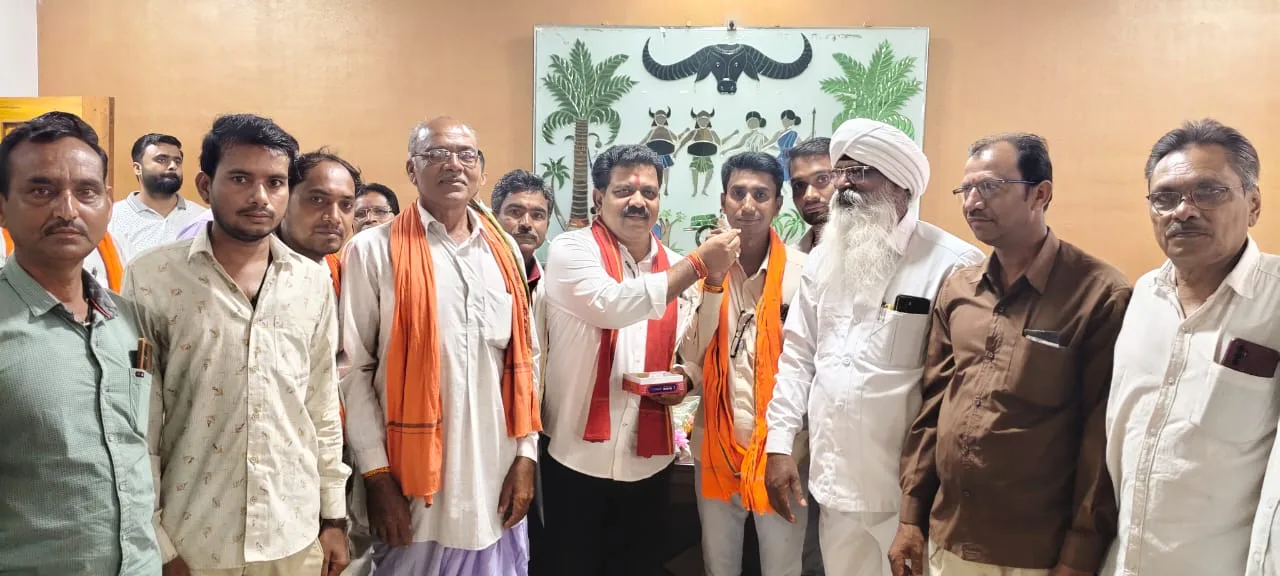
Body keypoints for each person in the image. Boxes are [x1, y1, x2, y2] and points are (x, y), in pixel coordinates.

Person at [892, 133, 1130, 576]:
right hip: (949, 535)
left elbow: (1101, 437)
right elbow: (934, 406)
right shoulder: (959, 289)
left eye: (990, 186)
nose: (972, 202)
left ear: (1040, 194)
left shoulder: (1099, 294)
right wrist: (911, 516)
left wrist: (1079, 555)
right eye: (966, 189)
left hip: (1035, 551)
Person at [124, 113, 350, 576]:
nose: (260, 197)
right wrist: (156, 541)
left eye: (275, 182)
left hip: (293, 533)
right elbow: (136, 419)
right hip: (193, 538)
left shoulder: (311, 282)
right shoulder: (152, 277)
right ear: (206, 185)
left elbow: (321, 404)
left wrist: (333, 517)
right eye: (241, 179)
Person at [763, 118, 983, 576]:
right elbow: (798, 356)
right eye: (840, 172)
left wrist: (924, 499)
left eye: (860, 172)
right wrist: (779, 444)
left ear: (902, 184)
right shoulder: (823, 258)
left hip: (907, 498)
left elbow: (957, 392)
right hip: (834, 483)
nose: (844, 184)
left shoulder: (952, 263)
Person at [339, 117, 541, 575]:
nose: (454, 164)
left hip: (495, 475)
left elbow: (527, 358)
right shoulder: (373, 250)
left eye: (466, 154)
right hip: (412, 488)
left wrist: (526, 457)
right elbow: (354, 370)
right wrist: (377, 476)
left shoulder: (504, 251)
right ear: (411, 169)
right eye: (436, 154)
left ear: (482, 171)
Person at [539, 144, 741, 575]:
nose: (638, 202)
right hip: (574, 456)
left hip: (648, 459)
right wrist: (699, 264)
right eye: (624, 191)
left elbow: (693, 348)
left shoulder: (674, 267)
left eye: (649, 192)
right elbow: (612, 304)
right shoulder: (571, 250)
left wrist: (685, 378)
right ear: (599, 198)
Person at [1104, 120, 1279, 576]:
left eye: (1208, 192)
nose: (1183, 211)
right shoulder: (1142, 297)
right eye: (1164, 198)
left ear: (1253, 204)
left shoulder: (1275, 301)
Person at [0, 111, 162, 574]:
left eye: (86, 192)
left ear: (108, 204)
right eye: (41, 191)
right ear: (2, 206)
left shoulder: (130, 321)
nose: (67, 210)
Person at [679, 151, 807, 576]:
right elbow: (691, 354)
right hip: (715, 446)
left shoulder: (804, 274)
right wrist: (713, 280)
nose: (748, 205)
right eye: (738, 193)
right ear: (723, 200)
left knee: (782, 566)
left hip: (783, 453)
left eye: (760, 194)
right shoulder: (698, 270)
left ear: (778, 204)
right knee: (718, 565)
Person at [109, 132, 207, 256]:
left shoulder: (201, 218)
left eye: (177, 161)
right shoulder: (112, 218)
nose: (173, 166)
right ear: (137, 168)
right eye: (161, 160)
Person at [277, 149, 360, 295]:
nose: (334, 217)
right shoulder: (252, 273)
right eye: (317, 200)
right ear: (284, 200)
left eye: (346, 205)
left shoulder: (341, 273)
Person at [492, 169, 552, 292]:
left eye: (537, 215)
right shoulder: (477, 269)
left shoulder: (548, 284)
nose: (526, 223)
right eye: (515, 212)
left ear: (547, 225)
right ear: (493, 219)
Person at [787, 137, 835, 254]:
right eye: (799, 185)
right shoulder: (791, 257)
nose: (809, 195)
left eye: (822, 179)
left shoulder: (874, 250)